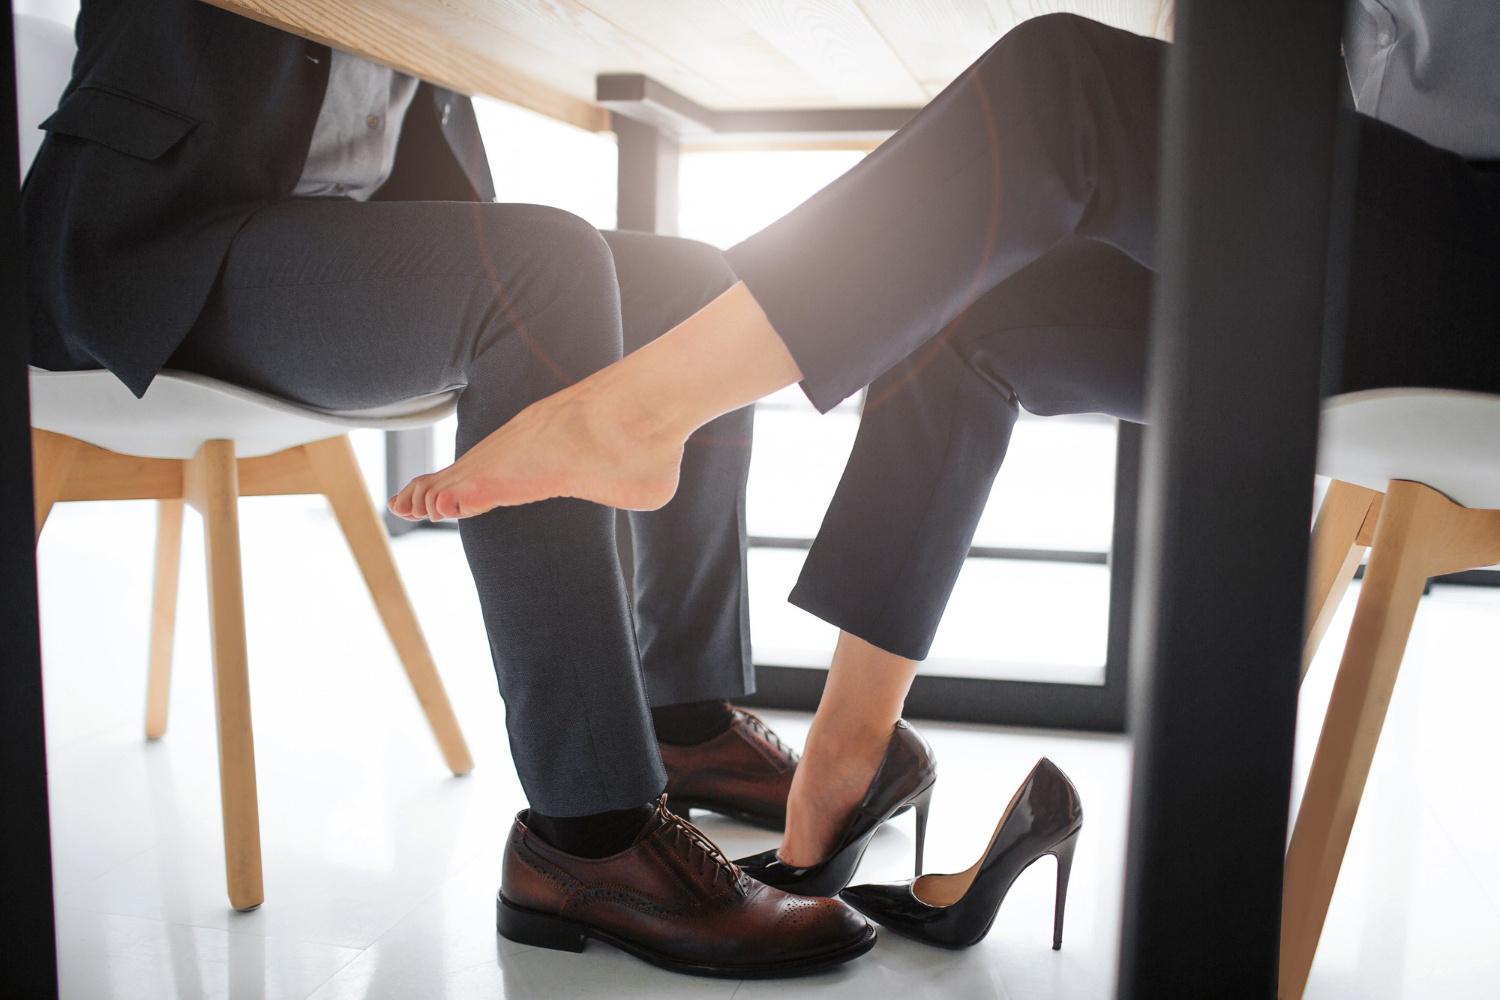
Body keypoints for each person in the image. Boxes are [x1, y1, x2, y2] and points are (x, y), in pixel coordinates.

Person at [388, 3, 1500, 902]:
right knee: (965, 297)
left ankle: (637, 416)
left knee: (1061, 85)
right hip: (1361, 238)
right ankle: (848, 758)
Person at [24, 0, 877, 977]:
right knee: (542, 272)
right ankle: (587, 831)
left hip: (351, 229)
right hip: (172, 235)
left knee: (699, 289)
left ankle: (680, 721)